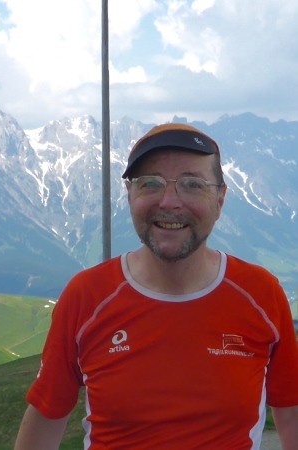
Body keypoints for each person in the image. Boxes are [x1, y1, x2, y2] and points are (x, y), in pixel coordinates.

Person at [15, 123, 298, 449]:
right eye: (150, 184)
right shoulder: (87, 296)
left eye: (192, 185)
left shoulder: (261, 293)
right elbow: (47, 415)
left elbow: (290, 413)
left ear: (220, 199)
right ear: (130, 196)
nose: (169, 202)